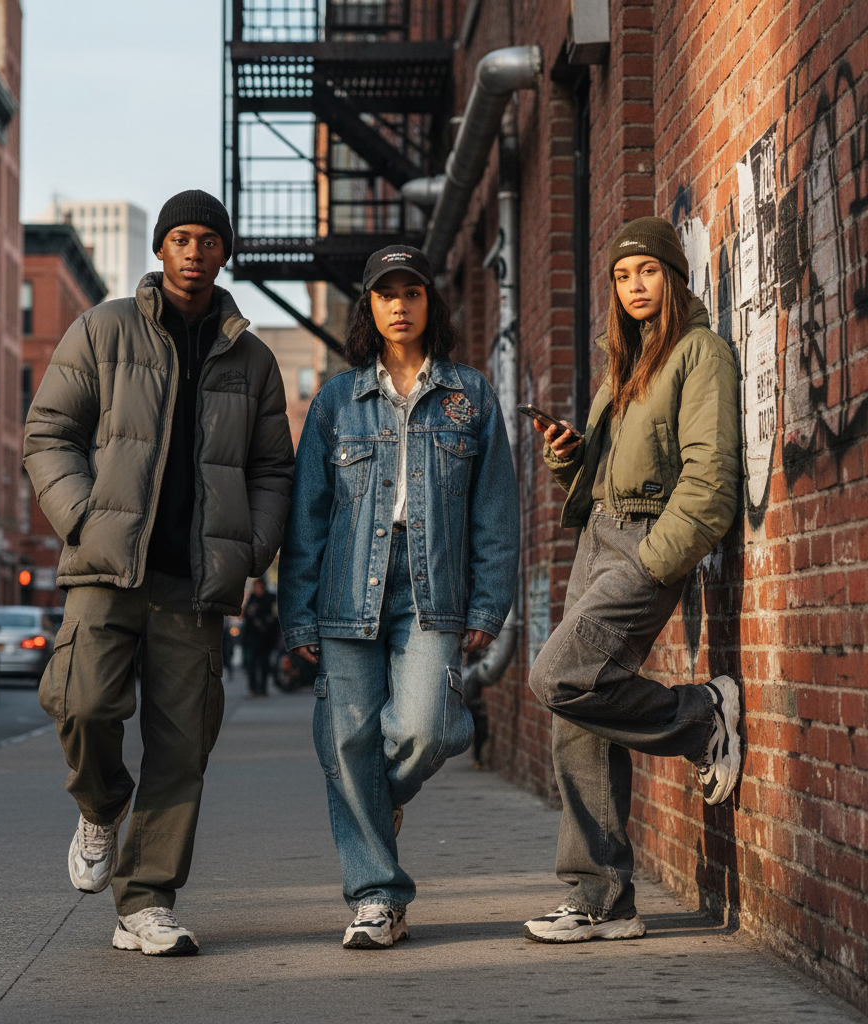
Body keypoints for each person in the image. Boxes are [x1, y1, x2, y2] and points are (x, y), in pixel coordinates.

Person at [24, 190, 294, 957]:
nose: (193, 251)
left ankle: (145, 902)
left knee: (183, 747)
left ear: (223, 253)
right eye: (180, 237)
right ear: (161, 250)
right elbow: (48, 434)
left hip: (195, 582)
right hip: (106, 570)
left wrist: (250, 547)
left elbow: (275, 467)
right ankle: (101, 807)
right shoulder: (102, 329)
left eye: (208, 240)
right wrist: (83, 517)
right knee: (82, 702)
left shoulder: (253, 358)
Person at [278, 245, 518, 949]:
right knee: (346, 742)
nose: (400, 304)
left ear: (428, 304)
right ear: (370, 308)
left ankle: (375, 808)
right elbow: (307, 517)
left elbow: (496, 514)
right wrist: (298, 613)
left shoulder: (470, 396)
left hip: (432, 587)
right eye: (386, 294)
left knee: (426, 728)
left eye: (412, 292)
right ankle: (377, 898)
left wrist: (487, 608)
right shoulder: (335, 401)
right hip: (348, 586)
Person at [522, 216, 742, 944]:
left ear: (673, 277)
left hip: (645, 544)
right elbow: (614, 471)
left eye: (646, 271)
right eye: (622, 276)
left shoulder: (699, 354)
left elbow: (709, 483)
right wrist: (568, 459)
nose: (633, 286)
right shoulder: (629, 361)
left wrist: (655, 562)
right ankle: (601, 898)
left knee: (556, 676)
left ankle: (703, 717)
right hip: (598, 537)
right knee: (575, 718)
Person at [242, 577, 276, 697]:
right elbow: (245, 616)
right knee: (251, 664)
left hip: (265, 639)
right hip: (251, 639)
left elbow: (274, 617)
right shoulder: (251, 600)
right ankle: (252, 688)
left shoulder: (270, 599)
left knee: (264, 665)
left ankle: (262, 688)